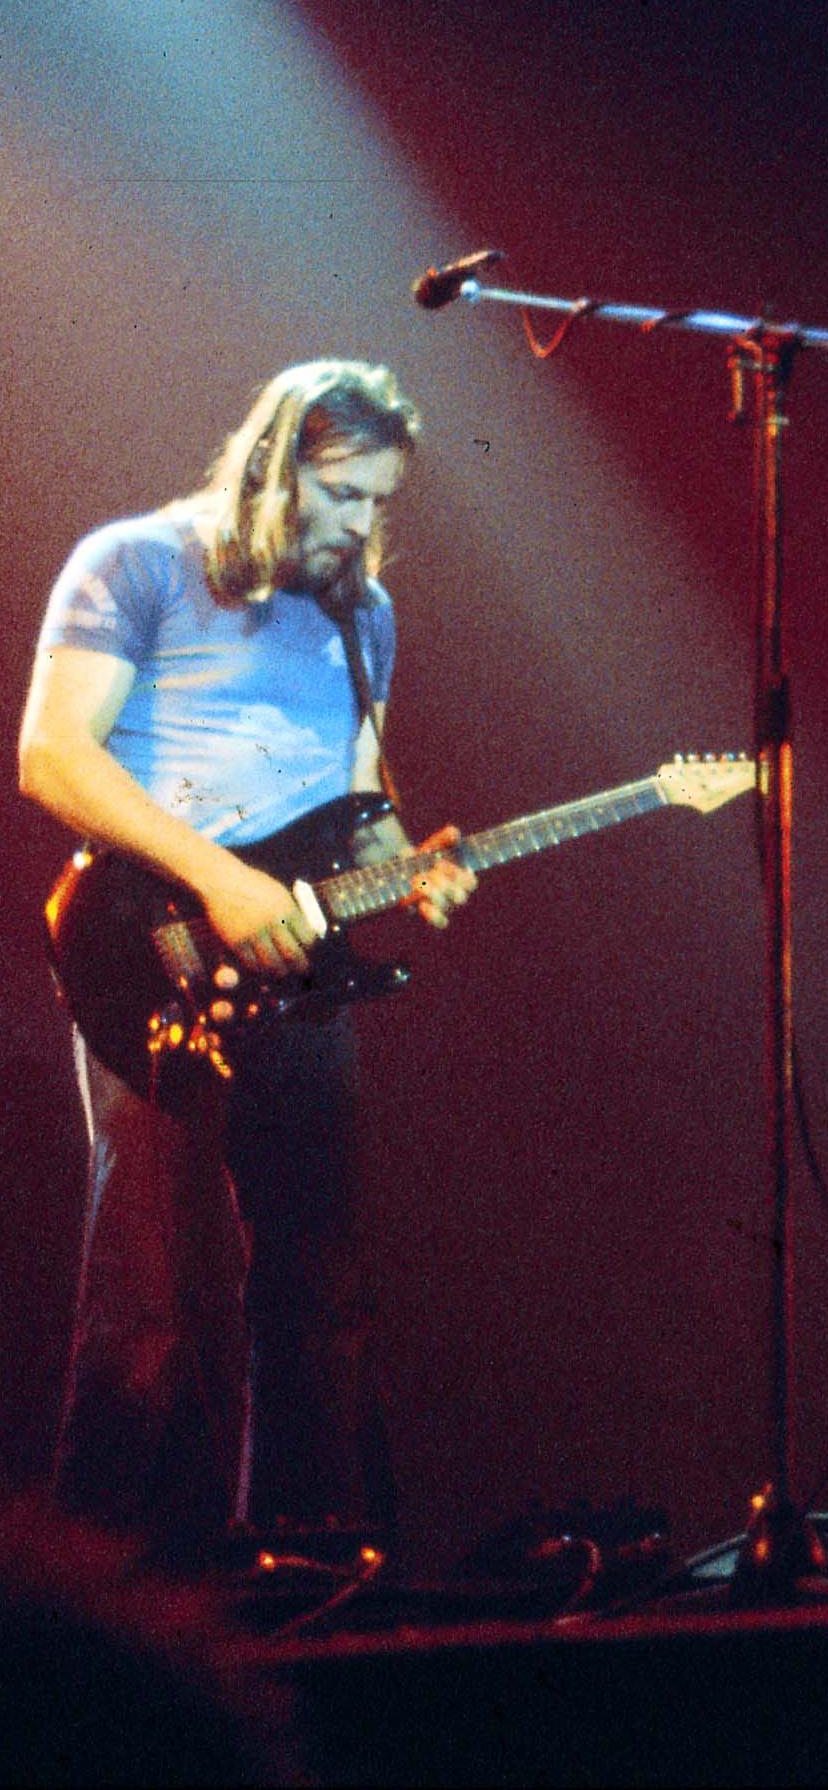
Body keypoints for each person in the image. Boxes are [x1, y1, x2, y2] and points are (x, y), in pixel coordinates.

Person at [17, 361, 474, 1555]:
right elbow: (55, 755)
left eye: (381, 500)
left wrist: (414, 863)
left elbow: (357, 800)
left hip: (300, 971)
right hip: (148, 949)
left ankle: (308, 1562)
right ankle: (99, 1594)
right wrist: (219, 876)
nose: (362, 525)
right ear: (273, 466)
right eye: (342, 494)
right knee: (151, 1296)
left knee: (317, 1290)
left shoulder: (361, 611)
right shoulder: (137, 562)